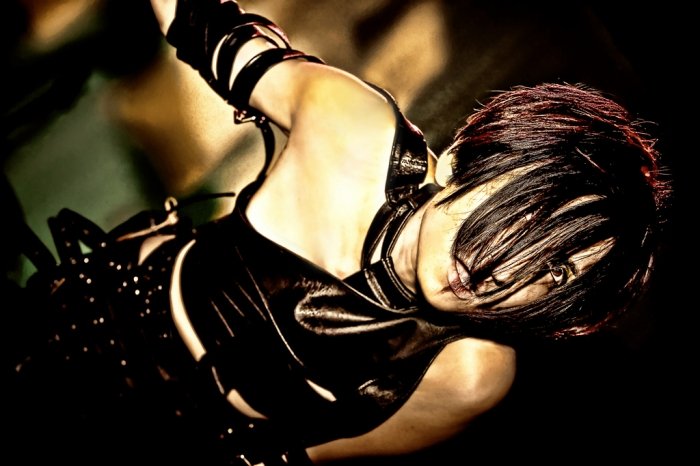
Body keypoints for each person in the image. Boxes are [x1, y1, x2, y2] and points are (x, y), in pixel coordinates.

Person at [10, 0, 669, 465]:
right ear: (472, 163)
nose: (505, 267)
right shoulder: (351, 130)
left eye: (556, 271)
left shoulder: (470, 376)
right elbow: (200, 21)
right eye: (525, 213)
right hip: (74, 326)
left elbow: (299, 459)